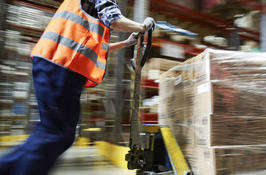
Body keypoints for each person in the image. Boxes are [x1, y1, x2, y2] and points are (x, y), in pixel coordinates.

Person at [0, 0, 155, 174]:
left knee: (52, 132)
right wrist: (143, 27)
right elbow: (114, 20)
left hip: (57, 64)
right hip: (62, 65)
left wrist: (126, 43)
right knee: (57, 135)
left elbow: (97, 47)